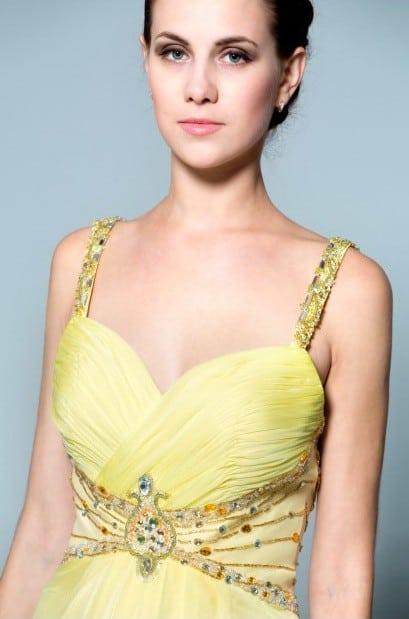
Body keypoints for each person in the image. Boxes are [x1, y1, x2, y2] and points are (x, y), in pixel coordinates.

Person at [0, 1, 392, 618]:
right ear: (146, 60)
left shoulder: (349, 290)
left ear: (288, 74)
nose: (198, 88)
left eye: (234, 56)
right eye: (174, 52)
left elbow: (342, 577)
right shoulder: (80, 263)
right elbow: (45, 528)